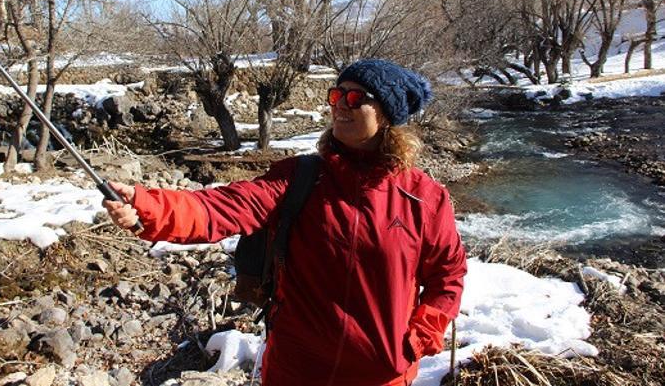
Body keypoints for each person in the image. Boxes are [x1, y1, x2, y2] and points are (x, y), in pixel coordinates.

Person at [104, 59, 467, 386]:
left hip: (383, 376)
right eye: (337, 94)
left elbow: (447, 277)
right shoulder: (301, 178)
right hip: (296, 371)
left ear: (386, 114)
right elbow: (223, 207)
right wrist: (147, 206)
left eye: (357, 98)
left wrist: (417, 338)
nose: (341, 104)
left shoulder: (423, 197)